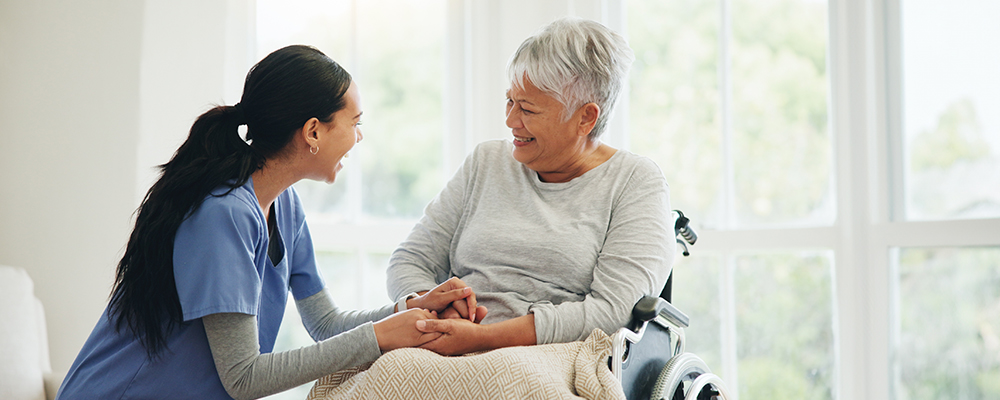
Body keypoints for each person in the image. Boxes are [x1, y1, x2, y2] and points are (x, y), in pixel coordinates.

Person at [56, 45, 480, 400]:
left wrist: (410, 310)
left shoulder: (286, 206)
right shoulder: (223, 212)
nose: (359, 137)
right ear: (313, 131)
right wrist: (383, 335)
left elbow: (325, 324)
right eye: (355, 123)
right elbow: (244, 378)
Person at [387, 17, 676, 356]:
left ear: (586, 117)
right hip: (445, 343)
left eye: (527, 109)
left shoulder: (635, 182)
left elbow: (610, 311)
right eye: (510, 101)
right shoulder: (486, 162)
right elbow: (410, 259)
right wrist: (429, 305)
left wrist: (483, 338)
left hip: (554, 358)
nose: (510, 121)